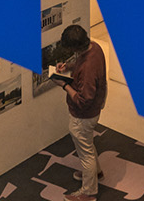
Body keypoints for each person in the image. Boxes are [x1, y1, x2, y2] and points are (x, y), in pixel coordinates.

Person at [55, 24, 107, 201]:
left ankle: (88, 193)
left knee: (85, 152)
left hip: (84, 115)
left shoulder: (87, 68)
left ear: (74, 47)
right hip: (94, 108)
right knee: (87, 144)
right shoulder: (95, 48)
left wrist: (64, 85)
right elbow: (81, 63)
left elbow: (83, 101)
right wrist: (69, 67)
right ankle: (95, 173)